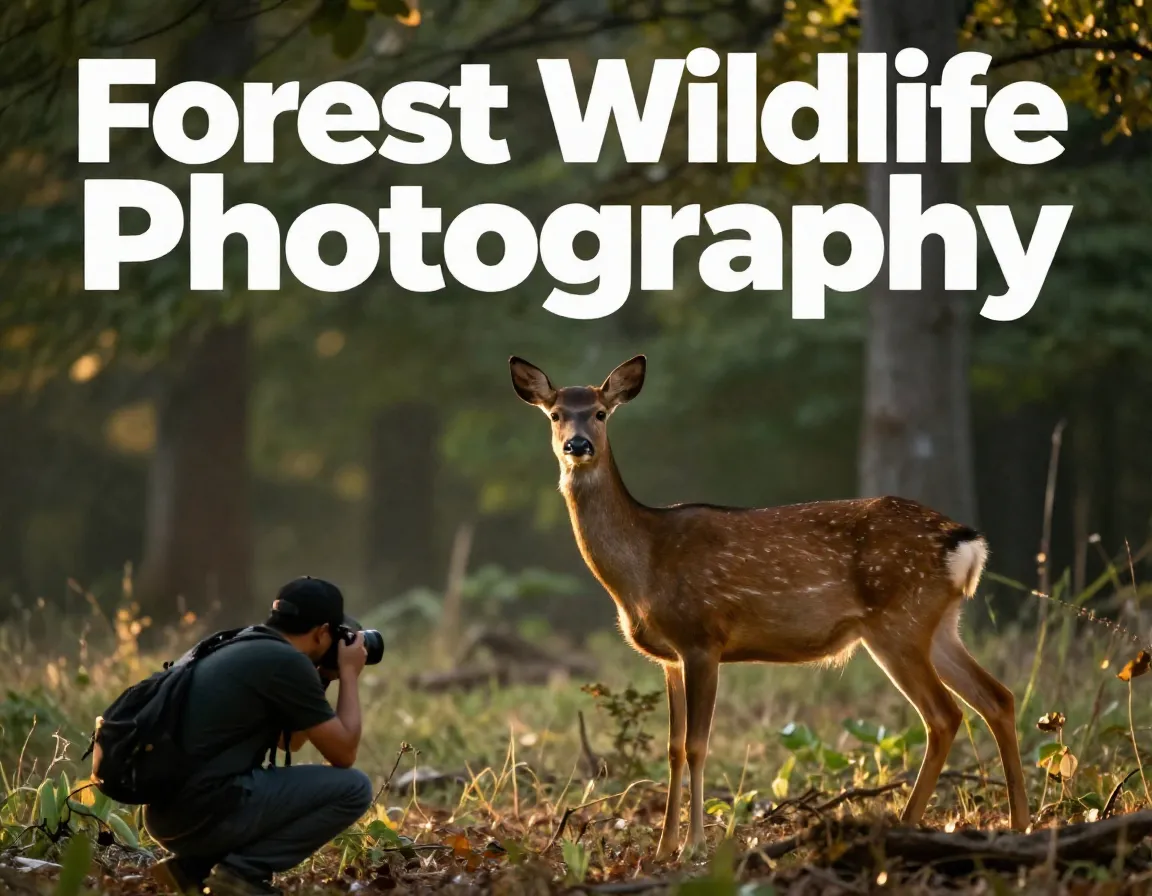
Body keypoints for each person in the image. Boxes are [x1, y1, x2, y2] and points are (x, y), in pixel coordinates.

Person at [144, 577, 374, 896]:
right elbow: (344, 754)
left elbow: (287, 742)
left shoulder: (242, 644)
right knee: (354, 788)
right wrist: (349, 674)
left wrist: (320, 679)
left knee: (244, 783)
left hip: (167, 816)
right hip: (206, 811)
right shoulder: (287, 662)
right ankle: (242, 874)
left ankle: (192, 868)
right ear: (323, 632)